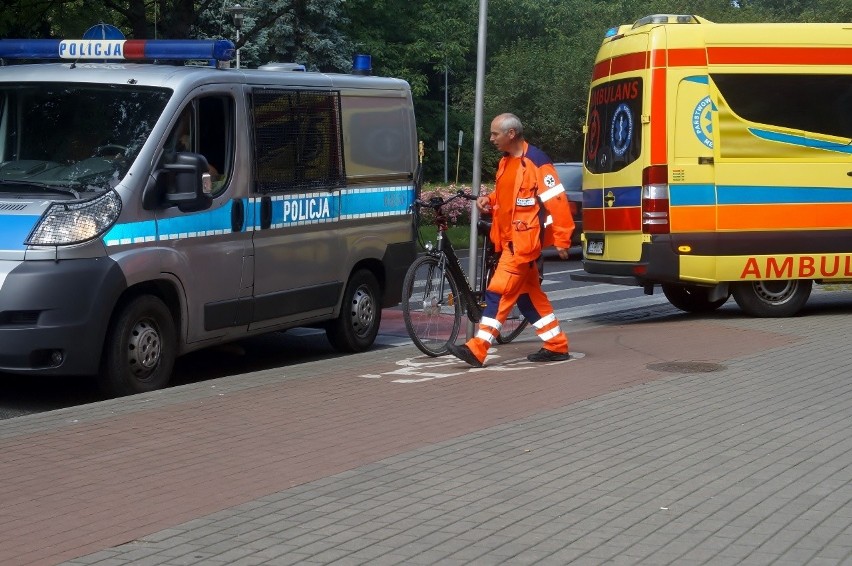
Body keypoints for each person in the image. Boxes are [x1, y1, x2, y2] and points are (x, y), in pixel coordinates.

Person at [447, 113, 575, 367]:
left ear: (511, 134)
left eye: (495, 133)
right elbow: (507, 195)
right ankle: (556, 344)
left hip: (521, 246)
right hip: (509, 241)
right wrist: (490, 199)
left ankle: (478, 348)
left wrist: (562, 238)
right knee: (528, 297)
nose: (491, 138)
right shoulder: (507, 162)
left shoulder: (537, 162)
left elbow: (557, 202)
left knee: (498, 291)